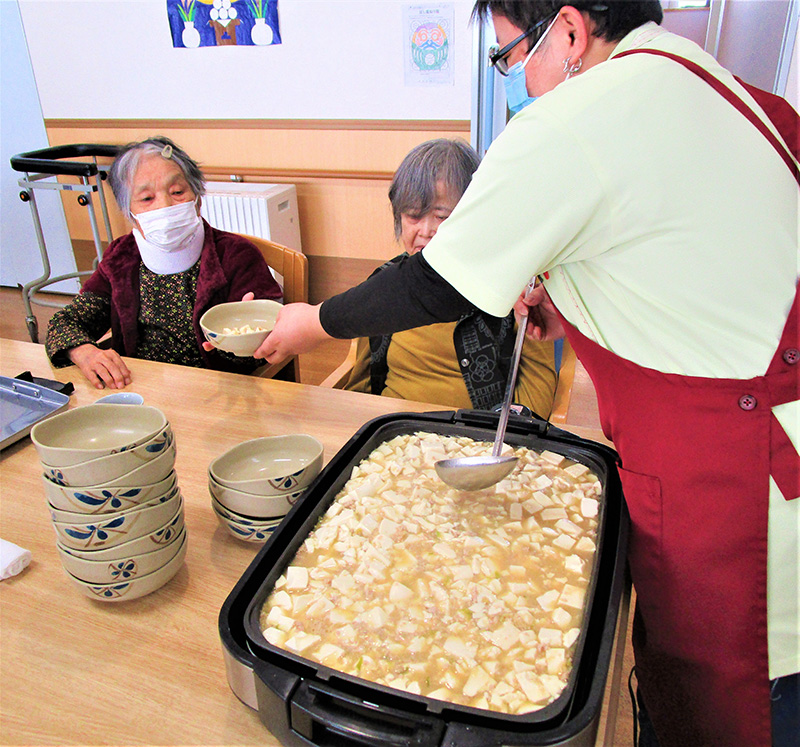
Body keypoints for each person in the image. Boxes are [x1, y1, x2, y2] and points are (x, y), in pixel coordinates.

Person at [253, 2, 799, 745]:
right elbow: (693, 264)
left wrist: (309, 321)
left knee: (735, 709)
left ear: (570, 32)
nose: (518, 80)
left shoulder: (578, 114)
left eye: (510, 57)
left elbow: (433, 282)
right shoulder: (723, 89)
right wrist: (575, 307)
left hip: (741, 487)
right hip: (758, 446)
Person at [46, 136, 282, 389]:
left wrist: (241, 340)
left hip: (222, 392)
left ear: (197, 197)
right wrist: (85, 353)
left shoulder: (236, 255)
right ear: (130, 214)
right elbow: (66, 323)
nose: (166, 206)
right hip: (140, 388)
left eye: (178, 192)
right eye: (147, 198)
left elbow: (266, 346)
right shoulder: (121, 258)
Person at [344, 138, 557, 416]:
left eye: (442, 217)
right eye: (412, 216)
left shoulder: (514, 286)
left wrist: (508, 438)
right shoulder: (385, 284)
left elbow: (537, 383)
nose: (426, 231)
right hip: (394, 433)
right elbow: (362, 377)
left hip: (473, 439)